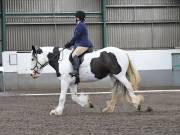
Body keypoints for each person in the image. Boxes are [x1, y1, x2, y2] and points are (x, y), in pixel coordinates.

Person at [65, 10, 93, 77]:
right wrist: (71, 44)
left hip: (84, 44)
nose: (75, 18)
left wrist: (70, 43)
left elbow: (76, 36)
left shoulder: (81, 25)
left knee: (74, 55)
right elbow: (77, 37)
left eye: (76, 17)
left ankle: (76, 71)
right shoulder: (80, 24)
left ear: (78, 17)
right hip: (80, 44)